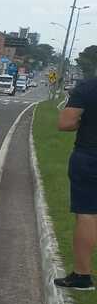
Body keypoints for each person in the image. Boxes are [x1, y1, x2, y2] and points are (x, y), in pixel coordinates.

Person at [55, 76, 97, 290]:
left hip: (90, 156)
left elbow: (65, 123)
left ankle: (82, 274)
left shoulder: (88, 88)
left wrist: (85, 121)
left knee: (87, 213)